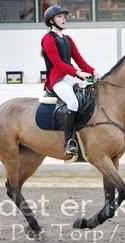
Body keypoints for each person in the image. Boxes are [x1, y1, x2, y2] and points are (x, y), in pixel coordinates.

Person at [41, 5, 102, 156]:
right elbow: (57, 63)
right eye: (60, 17)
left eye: (64, 17)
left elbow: (80, 60)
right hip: (57, 80)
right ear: (51, 21)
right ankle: (69, 141)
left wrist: (94, 72)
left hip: (70, 77)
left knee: (90, 96)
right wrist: (78, 73)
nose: (63, 19)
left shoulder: (67, 39)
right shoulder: (48, 39)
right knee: (73, 102)